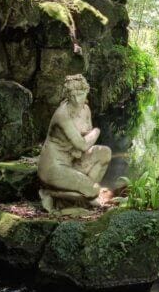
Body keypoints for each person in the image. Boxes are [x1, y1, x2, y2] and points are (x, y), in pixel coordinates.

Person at [37, 74, 111, 207]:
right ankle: (50, 193)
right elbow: (83, 144)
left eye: (80, 94)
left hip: (73, 160)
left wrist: (84, 143)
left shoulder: (86, 110)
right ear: (67, 95)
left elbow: (85, 143)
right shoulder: (62, 114)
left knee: (105, 153)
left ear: (86, 91)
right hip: (53, 166)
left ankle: (84, 193)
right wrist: (97, 131)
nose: (77, 100)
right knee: (94, 190)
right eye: (72, 95)